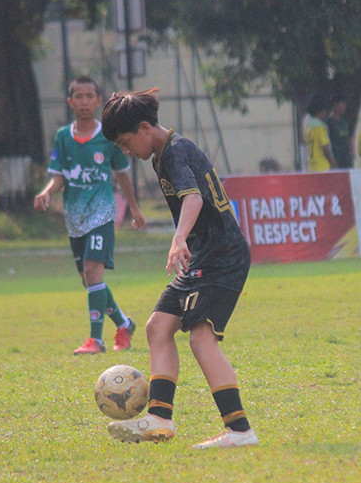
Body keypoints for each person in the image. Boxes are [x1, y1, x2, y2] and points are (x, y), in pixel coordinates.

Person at [100, 88, 257, 449]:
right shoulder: (161, 154)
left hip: (221, 255)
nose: (126, 152)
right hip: (201, 256)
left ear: (143, 128)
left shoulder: (175, 150)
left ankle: (240, 431)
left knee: (201, 338)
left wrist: (179, 238)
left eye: (126, 143)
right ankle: (160, 417)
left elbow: (194, 197)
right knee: (158, 327)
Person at [34, 75, 146, 355]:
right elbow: (59, 177)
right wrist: (47, 191)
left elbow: (122, 175)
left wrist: (134, 208)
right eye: (79, 96)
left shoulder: (108, 137)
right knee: (90, 280)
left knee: (93, 272)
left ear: (98, 101)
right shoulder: (63, 136)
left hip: (101, 215)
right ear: (70, 101)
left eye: (89, 96)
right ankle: (124, 323)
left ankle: (96, 340)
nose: (84, 102)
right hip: (75, 219)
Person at [305, 93, 336, 172]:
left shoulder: (308, 126)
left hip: (311, 165)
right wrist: (331, 161)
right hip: (322, 165)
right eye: (325, 111)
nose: (325, 114)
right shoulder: (320, 127)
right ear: (321, 111)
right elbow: (325, 147)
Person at [327, 94, 352, 169]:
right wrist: (332, 160)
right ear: (335, 105)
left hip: (347, 159)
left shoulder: (344, 122)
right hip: (337, 159)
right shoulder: (330, 123)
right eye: (343, 104)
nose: (345, 107)